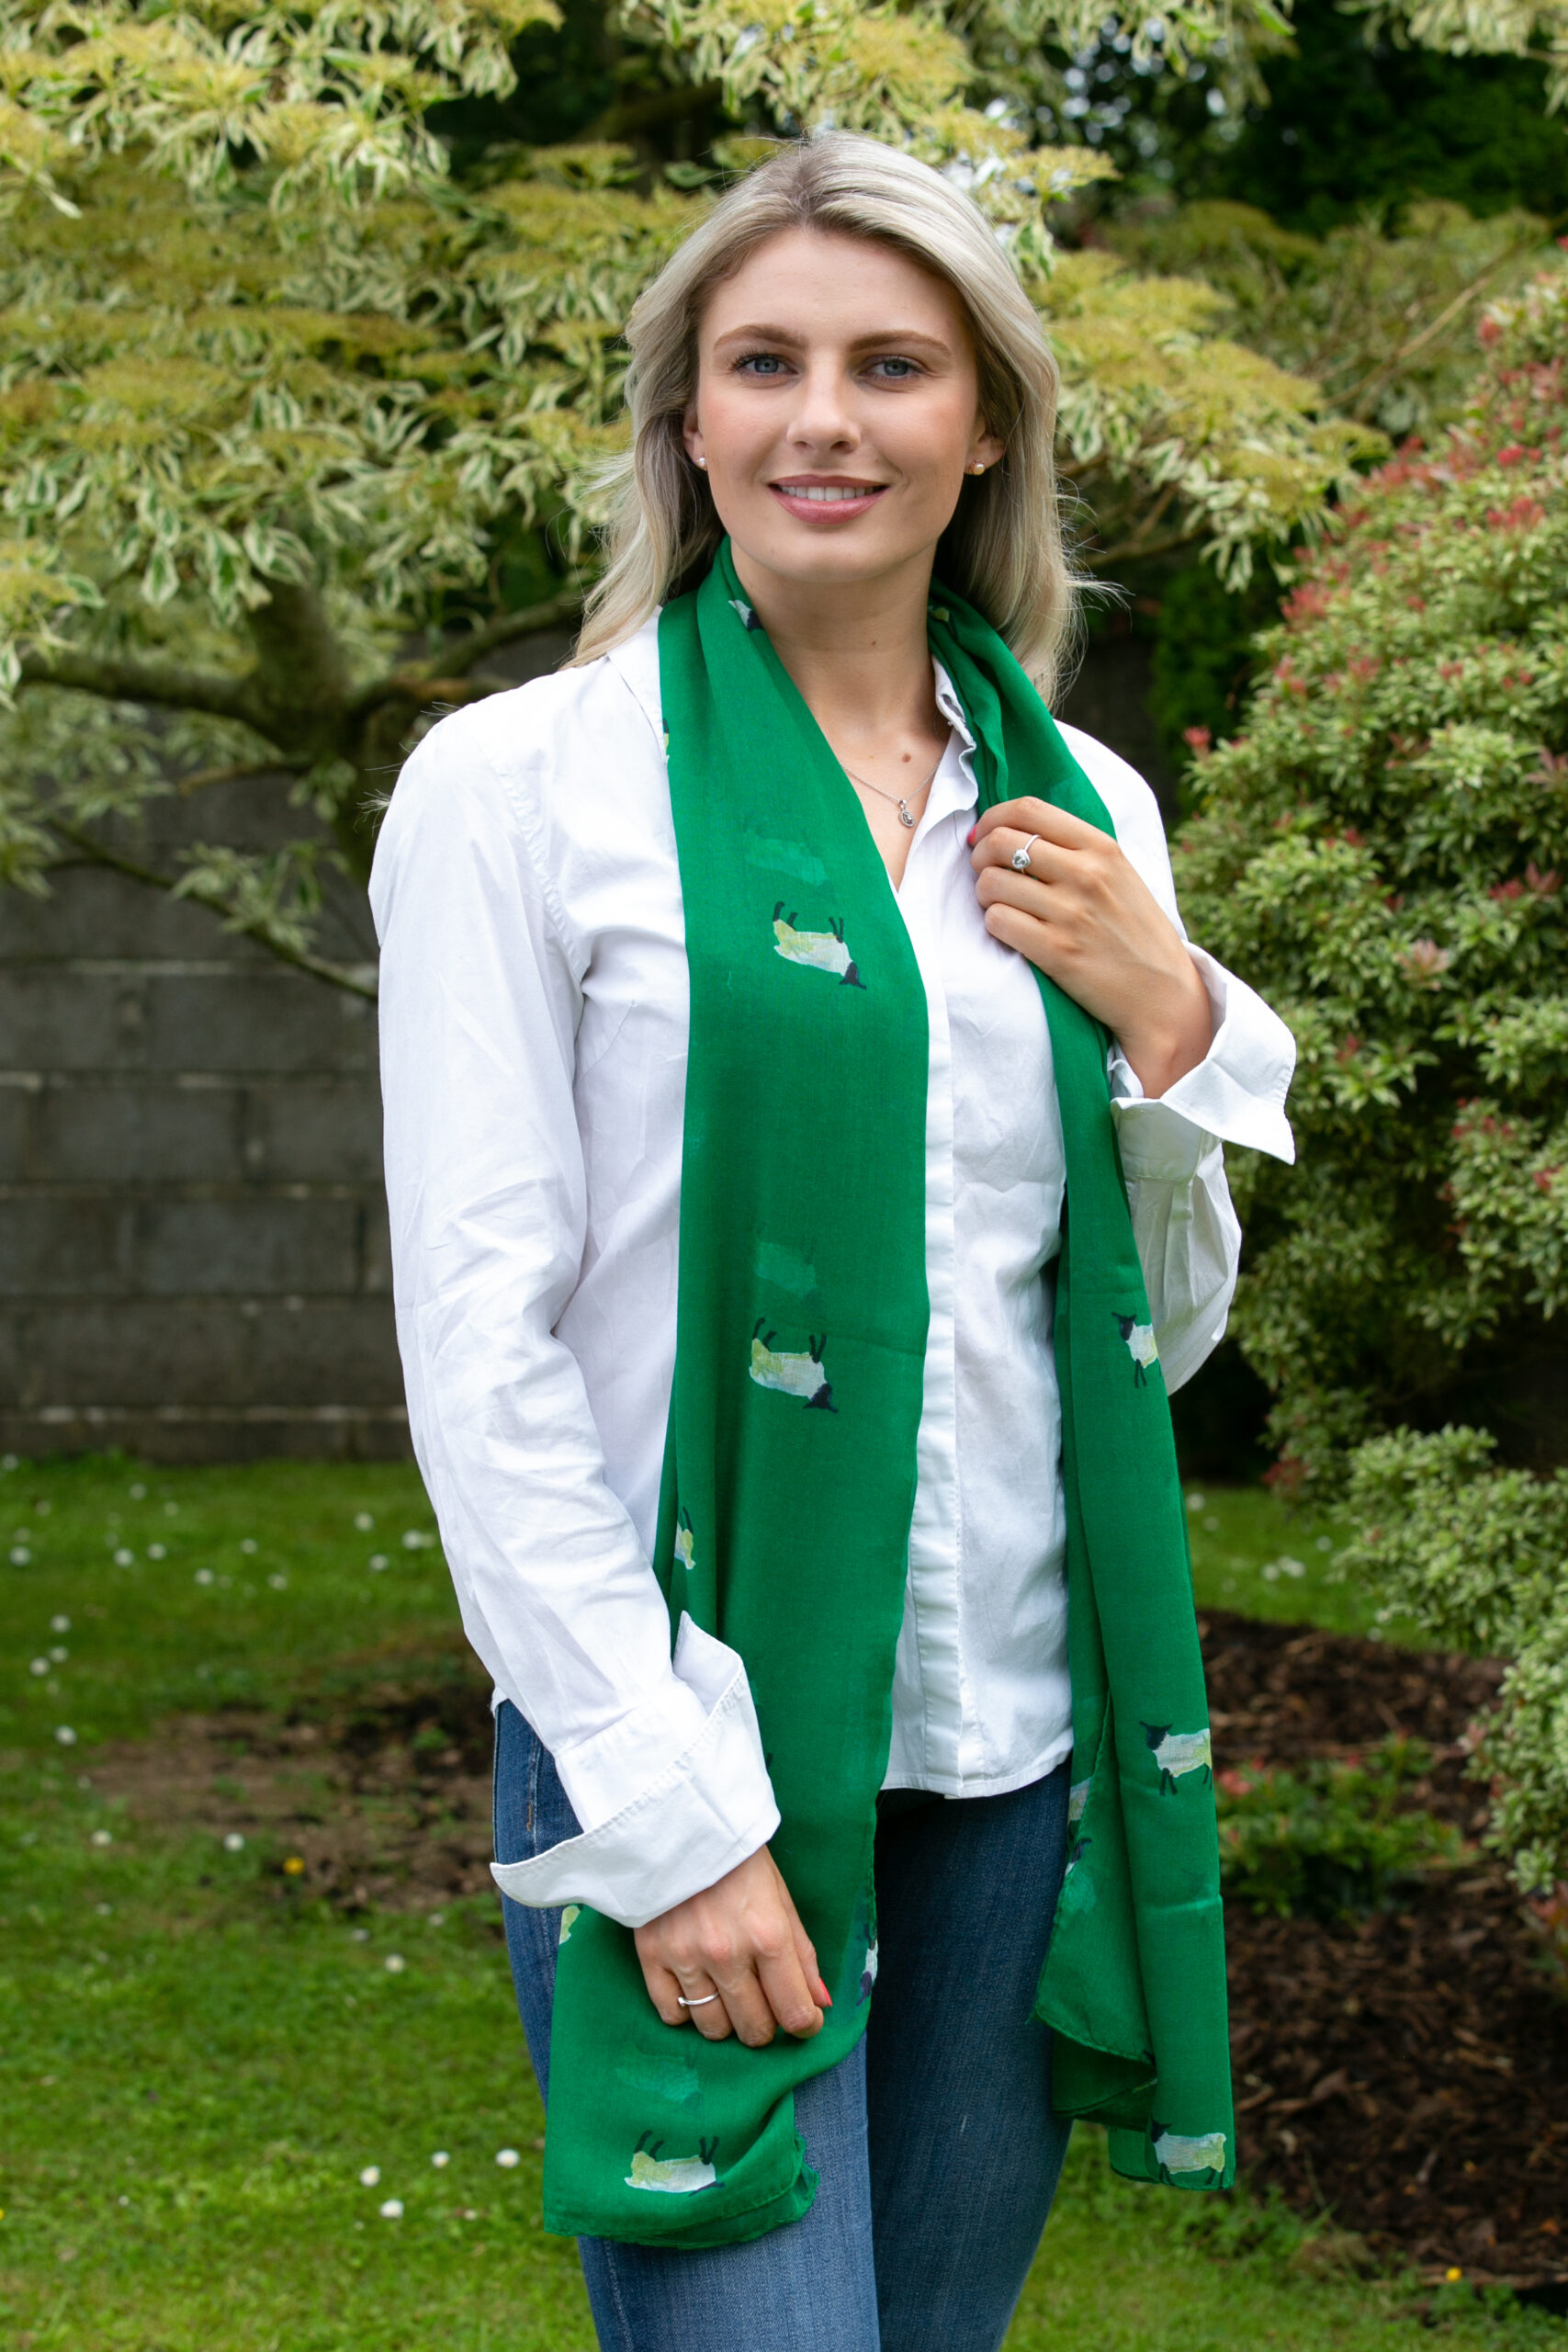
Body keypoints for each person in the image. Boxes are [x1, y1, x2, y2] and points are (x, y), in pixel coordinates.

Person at [371, 130, 1295, 2352]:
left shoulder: (1079, 808)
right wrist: (666, 1810)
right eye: (762, 361)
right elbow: (478, 1348)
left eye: (890, 364)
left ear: (982, 426)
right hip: (687, 1735)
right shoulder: (519, 787)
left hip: (1007, 1750)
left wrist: (1172, 1026)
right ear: (685, 418)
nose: (822, 419)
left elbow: (1141, 1342)